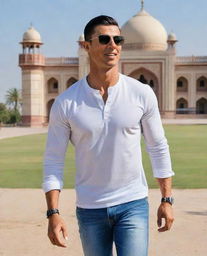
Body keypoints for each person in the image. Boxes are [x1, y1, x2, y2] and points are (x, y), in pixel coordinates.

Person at [43, 15, 175, 256]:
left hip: (132, 203)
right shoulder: (66, 103)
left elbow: (158, 147)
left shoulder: (141, 93)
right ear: (85, 46)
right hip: (90, 208)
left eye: (118, 39)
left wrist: (167, 199)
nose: (112, 45)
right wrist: (53, 212)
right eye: (104, 39)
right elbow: (53, 160)